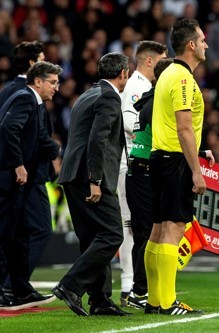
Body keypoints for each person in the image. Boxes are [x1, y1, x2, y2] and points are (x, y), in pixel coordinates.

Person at [52, 53, 130, 317]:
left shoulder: (86, 95)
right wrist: (95, 180)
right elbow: (98, 140)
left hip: (72, 175)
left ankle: (100, 299)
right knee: (112, 235)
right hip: (90, 177)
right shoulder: (109, 97)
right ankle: (70, 285)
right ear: (123, 74)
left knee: (92, 237)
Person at [146, 18, 214, 316]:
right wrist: (196, 170)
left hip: (160, 158)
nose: (206, 45)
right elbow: (184, 128)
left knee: (159, 230)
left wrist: (199, 150)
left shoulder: (168, 73)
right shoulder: (183, 78)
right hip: (175, 162)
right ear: (191, 45)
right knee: (173, 229)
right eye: (202, 40)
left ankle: (154, 300)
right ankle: (168, 302)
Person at [0, 61, 62, 310]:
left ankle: (20, 289)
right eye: (53, 82)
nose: (56, 88)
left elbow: (33, 136)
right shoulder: (25, 98)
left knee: (18, 235)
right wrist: (18, 164)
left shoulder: (31, 101)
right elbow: (7, 128)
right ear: (38, 81)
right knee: (6, 234)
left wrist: (52, 148)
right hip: (9, 180)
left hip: (20, 182)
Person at [118, 40, 167, 309]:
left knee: (140, 228)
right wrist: (148, 132)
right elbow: (128, 120)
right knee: (136, 228)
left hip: (138, 163)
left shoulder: (146, 86)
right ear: (150, 61)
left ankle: (136, 287)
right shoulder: (137, 86)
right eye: (162, 58)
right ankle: (131, 287)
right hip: (132, 164)